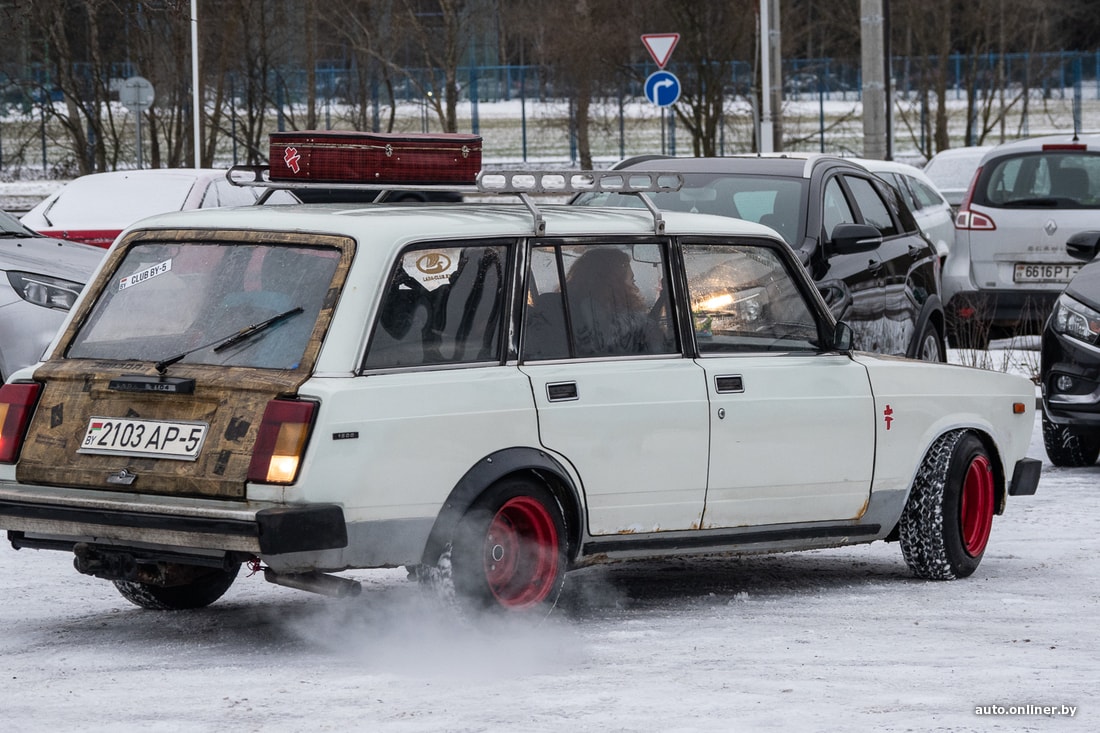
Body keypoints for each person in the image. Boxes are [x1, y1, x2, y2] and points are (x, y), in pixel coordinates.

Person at [565, 247, 654, 357]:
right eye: (632, 281)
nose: (636, 289)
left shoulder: (576, 316)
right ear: (615, 286)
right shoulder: (631, 329)